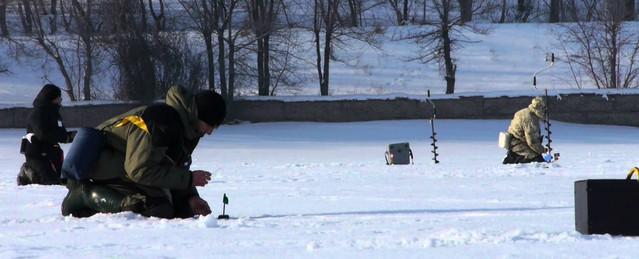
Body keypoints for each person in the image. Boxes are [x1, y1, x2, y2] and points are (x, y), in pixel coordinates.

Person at [61, 85, 226, 219]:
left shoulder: (190, 130)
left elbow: (173, 165)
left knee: (182, 209)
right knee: (155, 209)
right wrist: (189, 179)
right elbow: (139, 170)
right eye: (209, 125)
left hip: (129, 167)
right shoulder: (160, 122)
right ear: (197, 115)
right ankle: (84, 194)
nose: (210, 131)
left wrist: (190, 197)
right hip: (105, 163)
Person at [18, 84, 76, 185]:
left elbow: (58, 132)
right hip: (38, 155)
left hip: (53, 153)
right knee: (50, 183)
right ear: (51, 98)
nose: (61, 99)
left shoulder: (54, 113)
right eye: (59, 97)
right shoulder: (38, 113)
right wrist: (65, 137)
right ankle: (27, 171)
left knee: (66, 181)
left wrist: (70, 136)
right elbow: (43, 133)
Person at [502, 96, 548, 164]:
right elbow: (532, 141)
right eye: (543, 109)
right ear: (539, 108)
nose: (544, 112)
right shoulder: (530, 119)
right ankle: (513, 158)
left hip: (515, 140)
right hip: (517, 143)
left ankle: (515, 155)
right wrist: (542, 150)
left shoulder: (526, 112)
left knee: (536, 154)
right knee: (536, 159)